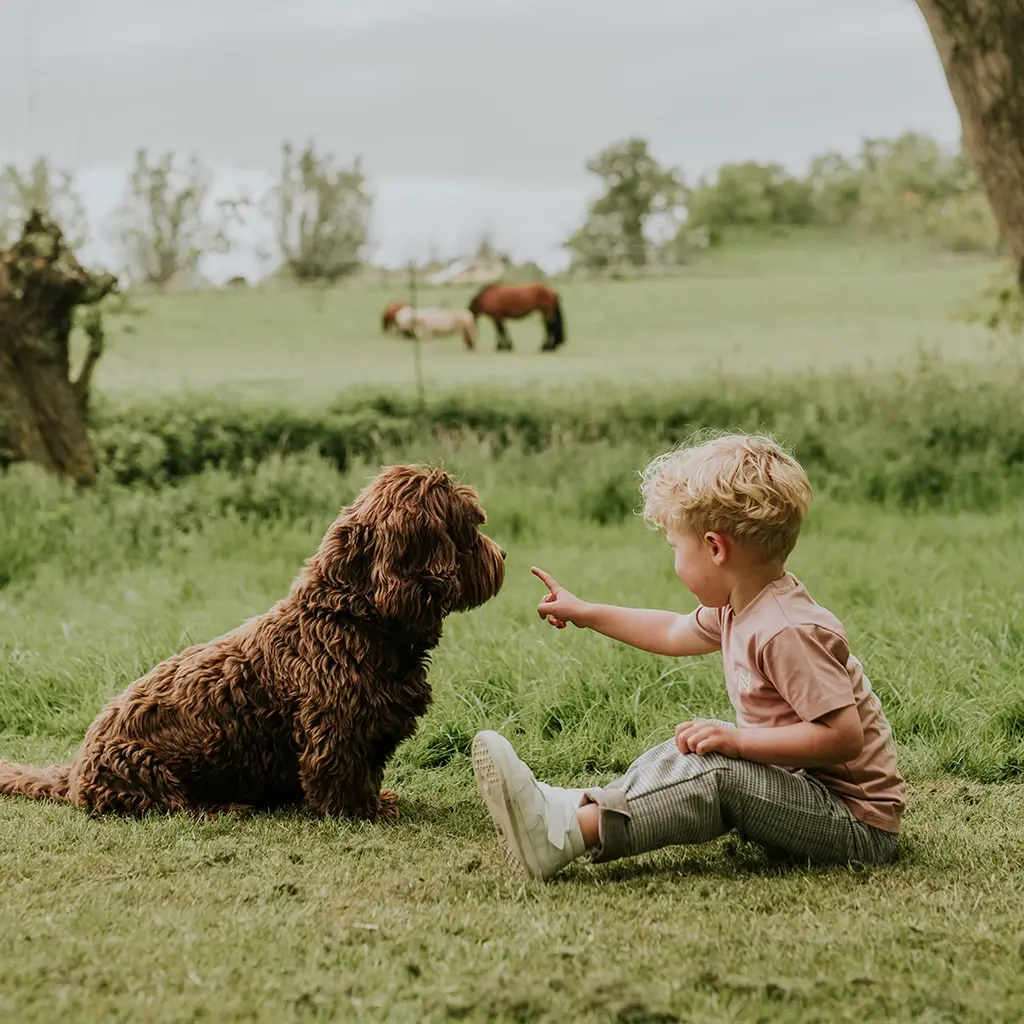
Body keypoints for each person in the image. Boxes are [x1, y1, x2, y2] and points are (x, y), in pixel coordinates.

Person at [472, 432, 905, 881]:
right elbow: (673, 629)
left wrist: (738, 741)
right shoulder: (741, 607)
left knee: (716, 769)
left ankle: (563, 836)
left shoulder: (786, 629)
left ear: (716, 548)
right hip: (806, 793)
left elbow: (843, 737)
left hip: (854, 825)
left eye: (677, 548)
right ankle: (571, 810)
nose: (675, 560)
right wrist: (586, 612)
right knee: (687, 746)